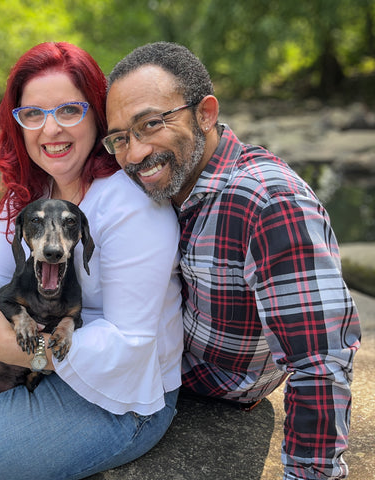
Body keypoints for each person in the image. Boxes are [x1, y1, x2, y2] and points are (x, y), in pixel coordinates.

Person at [0, 42, 183, 480]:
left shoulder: (133, 206)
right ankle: (14, 413)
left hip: (128, 389)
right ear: (19, 122)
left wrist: (19, 352)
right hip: (41, 351)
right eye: (33, 114)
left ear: (96, 116)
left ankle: (12, 421)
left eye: (69, 110)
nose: (51, 130)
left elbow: (132, 341)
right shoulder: (30, 192)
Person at [103, 41, 361, 480]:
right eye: (120, 139)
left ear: (205, 113)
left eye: (150, 125)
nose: (134, 154)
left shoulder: (268, 202)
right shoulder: (175, 184)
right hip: (158, 361)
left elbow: (319, 362)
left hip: (205, 390)